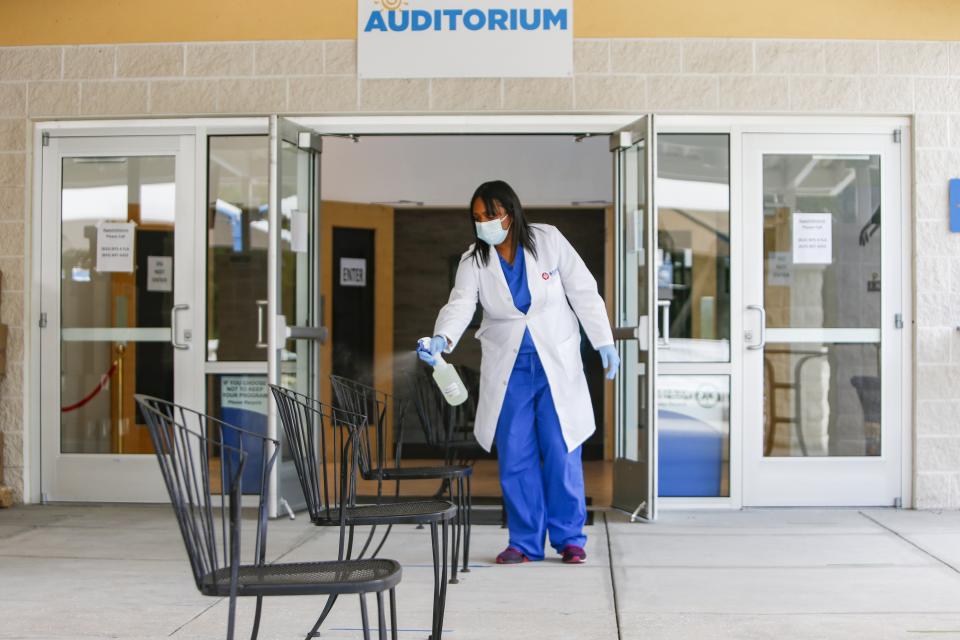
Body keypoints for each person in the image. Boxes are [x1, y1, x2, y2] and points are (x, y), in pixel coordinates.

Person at [417, 180, 620, 565]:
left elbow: (583, 290)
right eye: (477, 218)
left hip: (555, 364)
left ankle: (570, 539)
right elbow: (461, 304)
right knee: (516, 455)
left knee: (562, 452)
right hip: (510, 369)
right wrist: (442, 339)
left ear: (510, 212)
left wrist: (603, 340)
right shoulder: (474, 260)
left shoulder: (549, 241)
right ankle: (524, 542)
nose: (484, 224)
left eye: (490, 216)